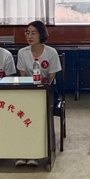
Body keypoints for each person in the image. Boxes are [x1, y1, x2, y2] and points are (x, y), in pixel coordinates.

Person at [16, 20, 61, 167]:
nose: (30, 36)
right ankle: (24, 151)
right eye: (27, 33)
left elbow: (52, 78)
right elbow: (22, 77)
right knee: (19, 112)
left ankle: (37, 152)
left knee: (38, 112)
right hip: (28, 91)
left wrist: (41, 89)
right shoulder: (22, 53)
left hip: (48, 92)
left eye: (33, 33)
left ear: (41, 35)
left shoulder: (51, 52)